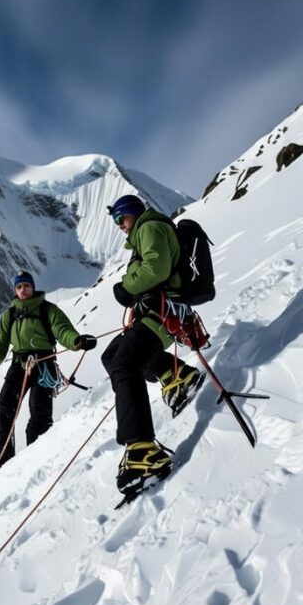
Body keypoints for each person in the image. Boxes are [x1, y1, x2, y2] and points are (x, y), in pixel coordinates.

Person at [101, 194, 204, 496]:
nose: (120, 225)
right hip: (153, 314)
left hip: (161, 314)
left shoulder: (149, 228)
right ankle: (176, 375)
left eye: (122, 218)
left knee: (124, 363)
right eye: (115, 221)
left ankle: (143, 450)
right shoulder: (145, 232)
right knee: (112, 356)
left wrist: (126, 286)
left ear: (134, 213)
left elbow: (156, 270)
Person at [0, 271, 97, 472]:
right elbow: (0, 342)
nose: (23, 290)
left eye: (26, 286)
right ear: (15, 290)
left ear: (33, 287)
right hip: (18, 366)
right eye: (19, 287)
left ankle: (36, 462)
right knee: (3, 411)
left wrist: (77, 341)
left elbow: (62, 330)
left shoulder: (48, 310)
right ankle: (1, 466)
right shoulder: (9, 315)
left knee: (40, 413)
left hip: (44, 365)